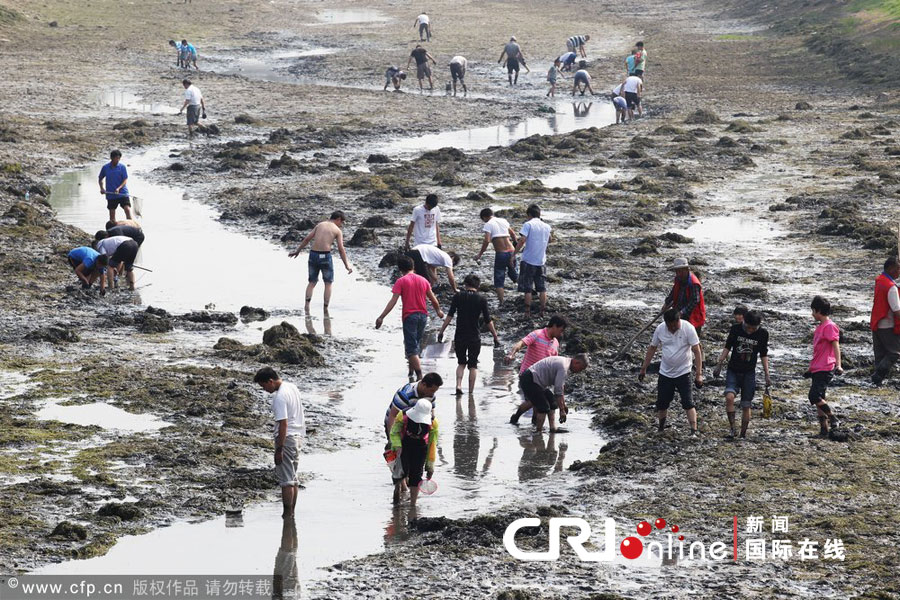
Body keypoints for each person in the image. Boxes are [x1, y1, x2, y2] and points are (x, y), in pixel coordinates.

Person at [375, 255, 444, 380]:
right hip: (423, 316)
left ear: (400, 269)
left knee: (411, 348)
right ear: (413, 266)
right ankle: (411, 373)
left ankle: (419, 376)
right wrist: (438, 311)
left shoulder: (401, 281)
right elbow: (433, 299)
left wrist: (381, 317)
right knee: (416, 343)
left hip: (410, 316)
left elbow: (393, 301)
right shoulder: (423, 280)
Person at [639, 308, 703, 437]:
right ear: (666, 323)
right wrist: (644, 368)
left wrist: (698, 374)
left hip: (684, 372)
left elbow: (697, 350)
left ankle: (693, 431)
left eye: (675, 324)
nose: (673, 327)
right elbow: (652, 348)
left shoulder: (688, 328)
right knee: (662, 403)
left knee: (687, 402)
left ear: (679, 319)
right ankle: (661, 428)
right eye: (670, 326)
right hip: (665, 372)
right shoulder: (660, 329)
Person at [254, 367, 305, 519]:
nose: (265, 390)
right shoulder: (292, 388)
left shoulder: (279, 397)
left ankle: (287, 515)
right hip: (298, 437)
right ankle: (292, 514)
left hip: (287, 439)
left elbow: (283, 423)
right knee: (293, 478)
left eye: (264, 386)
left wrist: (279, 449)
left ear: (270, 381)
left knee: (286, 481)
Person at [437, 274, 500, 395]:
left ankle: (459, 385)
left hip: (460, 335)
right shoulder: (481, 299)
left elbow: (450, 315)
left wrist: (441, 331)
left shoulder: (458, 296)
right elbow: (488, 320)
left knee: (461, 363)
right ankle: (471, 392)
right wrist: (495, 336)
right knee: (473, 365)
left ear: (465, 285)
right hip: (474, 336)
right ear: (478, 286)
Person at [712, 310, 770, 439]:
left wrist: (767, 374)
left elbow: (763, 354)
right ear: (744, 321)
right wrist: (719, 363)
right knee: (729, 397)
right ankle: (733, 429)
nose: (749, 331)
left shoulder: (763, 334)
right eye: (747, 327)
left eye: (753, 328)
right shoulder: (736, 329)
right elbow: (728, 346)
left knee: (746, 404)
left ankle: (743, 434)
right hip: (733, 370)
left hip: (749, 373)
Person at [506, 315, 568, 424]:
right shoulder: (537, 334)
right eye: (560, 330)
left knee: (537, 402)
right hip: (528, 375)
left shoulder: (556, 343)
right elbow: (521, 343)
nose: (561, 334)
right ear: (554, 326)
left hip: (542, 378)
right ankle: (522, 420)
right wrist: (511, 354)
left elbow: (553, 362)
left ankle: (532, 424)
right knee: (534, 402)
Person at [288, 211, 353, 314]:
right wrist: (346, 265)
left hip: (313, 255)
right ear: (338, 219)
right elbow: (341, 249)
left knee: (312, 282)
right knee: (328, 283)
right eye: (342, 222)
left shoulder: (320, 225)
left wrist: (298, 251)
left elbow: (307, 239)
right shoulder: (337, 230)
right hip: (325, 257)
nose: (342, 225)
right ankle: (326, 308)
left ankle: (307, 305)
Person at [519, 354, 589, 432]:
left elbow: (561, 387)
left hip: (538, 382)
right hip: (530, 379)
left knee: (552, 403)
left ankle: (552, 428)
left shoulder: (566, 364)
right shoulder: (563, 367)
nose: (580, 371)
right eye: (581, 369)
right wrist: (562, 410)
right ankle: (538, 434)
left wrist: (563, 404)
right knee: (543, 407)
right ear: (576, 362)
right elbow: (558, 390)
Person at [389, 398, 438, 506]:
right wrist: (397, 446)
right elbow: (394, 432)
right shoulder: (403, 415)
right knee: (401, 472)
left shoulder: (433, 422)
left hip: (421, 447)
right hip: (404, 445)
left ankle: (413, 504)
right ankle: (397, 491)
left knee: (416, 475)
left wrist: (430, 465)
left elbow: (432, 444)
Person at [807, 295, 842, 437]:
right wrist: (810, 368)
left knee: (814, 395)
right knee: (820, 397)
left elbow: (836, 346)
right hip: (817, 367)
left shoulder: (829, 326)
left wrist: (838, 365)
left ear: (818, 310)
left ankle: (833, 417)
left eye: (813, 311)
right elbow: (818, 350)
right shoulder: (820, 327)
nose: (812, 314)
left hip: (826, 367)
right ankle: (824, 429)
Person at [475, 208, 518, 305]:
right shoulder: (503, 221)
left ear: (485, 217)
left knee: (499, 279)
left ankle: (501, 302)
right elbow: (513, 234)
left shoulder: (488, 224)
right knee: (515, 275)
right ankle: (529, 291)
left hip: (501, 253)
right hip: (511, 251)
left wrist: (480, 254)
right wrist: (515, 244)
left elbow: (487, 240)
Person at [516, 204, 553, 318]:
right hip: (541, 261)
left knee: (527, 288)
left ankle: (527, 313)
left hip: (528, 260)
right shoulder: (547, 226)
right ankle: (542, 311)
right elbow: (550, 239)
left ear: (529, 215)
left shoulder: (528, 224)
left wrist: (514, 253)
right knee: (542, 288)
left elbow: (522, 240)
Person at [384, 372, 443, 440]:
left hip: (415, 422)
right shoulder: (405, 394)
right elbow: (393, 416)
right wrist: (392, 440)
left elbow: (431, 414)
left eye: (435, 391)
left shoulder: (430, 395)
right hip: (396, 421)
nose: (433, 394)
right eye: (432, 390)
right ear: (424, 385)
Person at [870, 256, 900, 385]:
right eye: (898, 269)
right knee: (894, 353)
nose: (899, 272)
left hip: (876, 322)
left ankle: (877, 382)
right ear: (891, 269)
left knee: (880, 355)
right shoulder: (891, 288)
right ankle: (877, 376)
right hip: (887, 325)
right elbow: (896, 310)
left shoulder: (880, 280)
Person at [663, 257, 706, 334]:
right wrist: (666, 303)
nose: (679, 274)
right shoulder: (678, 279)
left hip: (693, 315)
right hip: (679, 311)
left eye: (681, 271)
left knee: (692, 339)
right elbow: (673, 292)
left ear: (686, 270)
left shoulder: (694, 283)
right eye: (677, 271)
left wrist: (681, 312)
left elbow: (695, 300)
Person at [98, 150, 131, 222]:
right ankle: (113, 229)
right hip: (111, 194)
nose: (117, 160)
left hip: (122, 192)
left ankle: (131, 226)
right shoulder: (105, 167)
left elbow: (125, 180)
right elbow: (100, 179)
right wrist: (102, 188)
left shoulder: (122, 167)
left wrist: (118, 188)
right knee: (112, 215)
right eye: (116, 158)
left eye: (119, 158)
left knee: (127, 209)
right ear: (111, 158)